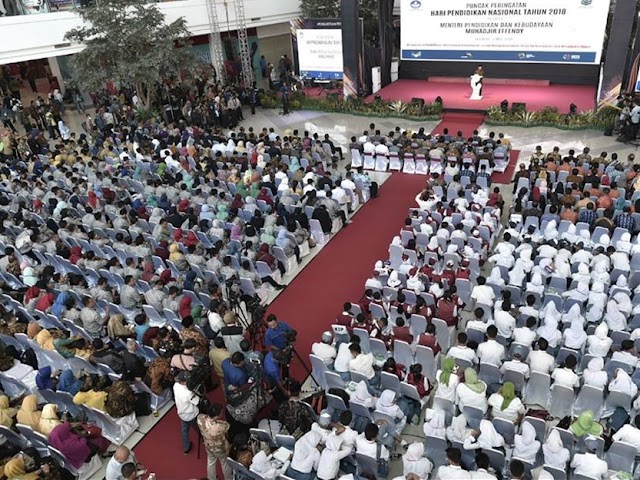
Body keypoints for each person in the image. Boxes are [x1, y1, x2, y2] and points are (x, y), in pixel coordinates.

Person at [198, 403, 232, 480]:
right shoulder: (219, 426)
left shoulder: (200, 418)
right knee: (224, 463)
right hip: (220, 448)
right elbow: (227, 426)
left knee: (210, 461)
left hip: (208, 445)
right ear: (217, 416)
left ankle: (211, 478)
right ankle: (229, 478)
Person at [173, 371, 200, 454]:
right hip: (192, 415)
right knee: (198, 428)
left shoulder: (175, 386)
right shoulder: (188, 393)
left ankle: (186, 447)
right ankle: (203, 438)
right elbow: (197, 401)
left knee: (184, 431)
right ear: (183, 381)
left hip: (181, 414)